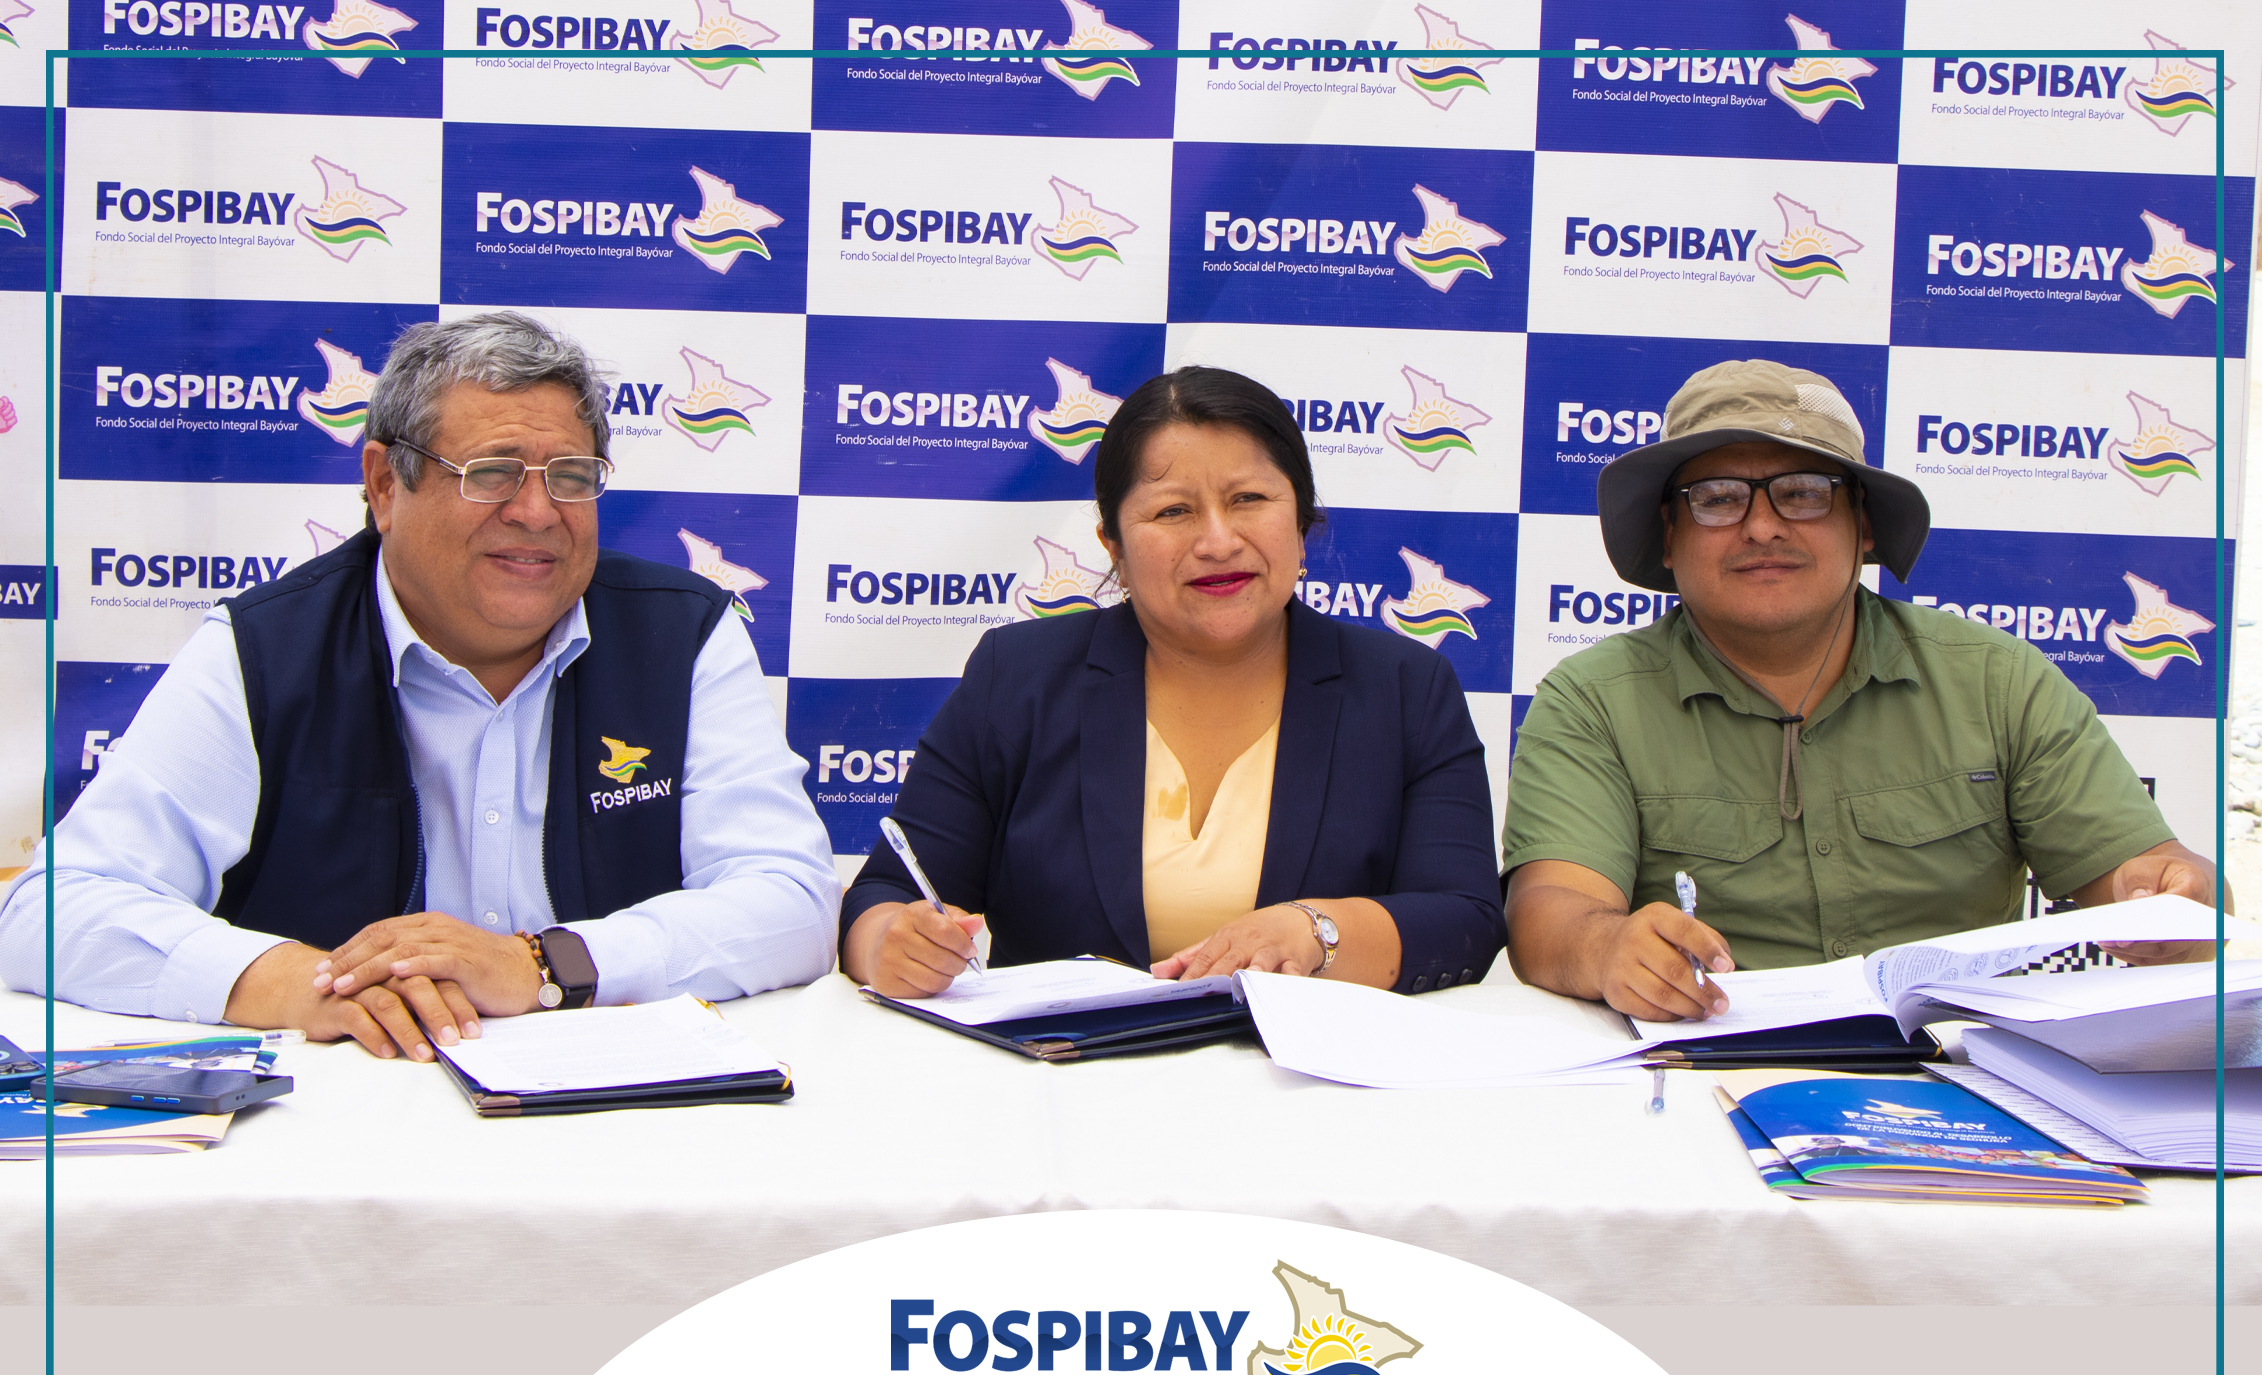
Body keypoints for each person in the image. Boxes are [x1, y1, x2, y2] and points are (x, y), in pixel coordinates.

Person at [0, 312, 840, 1059]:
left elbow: (792, 902)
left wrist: (543, 965)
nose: (538, 511)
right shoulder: (263, 650)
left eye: (571, 475)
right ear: (382, 485)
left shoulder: (682, 634)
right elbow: (54, 910)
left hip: (612, 1112)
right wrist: (298, 982)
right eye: (493, 472)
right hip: (343, 1112)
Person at [1501, 359, 2224, 1022]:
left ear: (1865, 524)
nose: (1762, 527)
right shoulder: (1592, 701)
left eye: (1803, 494)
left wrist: (2176, 900)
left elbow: (2154, 880)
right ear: (1668, 536)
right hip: (1699, 1072)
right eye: (1717, 499)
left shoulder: (1996, 680)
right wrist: (1608, 947)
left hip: (1962, 1075)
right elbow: (1549, 917)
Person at [841, 365, 1506, 997]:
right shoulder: (1017, 677)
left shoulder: (1405, 689)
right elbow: (885, 897)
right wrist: (889, 947)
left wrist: (1315, 930)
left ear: (1301, 524)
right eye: (1173, 512)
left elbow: (1466, 920)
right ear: (1113, 546)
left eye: (1249, 500)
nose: (1218, 542)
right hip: (1065, 1068)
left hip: (1302, 1072)